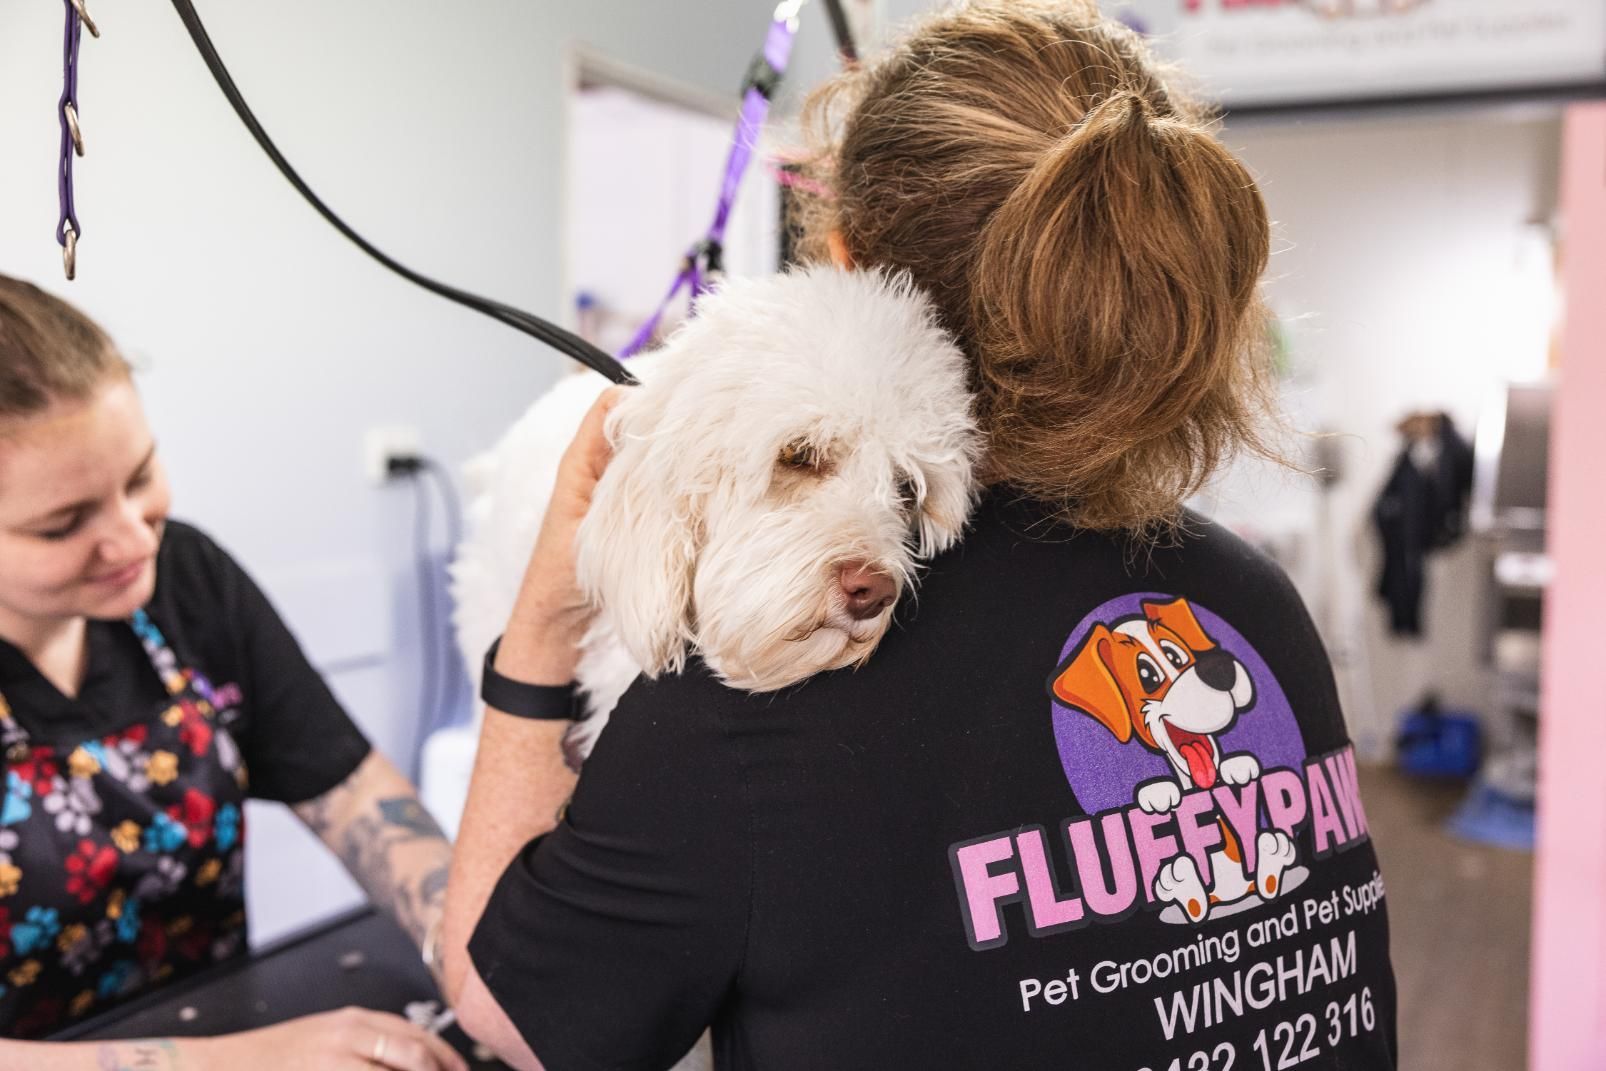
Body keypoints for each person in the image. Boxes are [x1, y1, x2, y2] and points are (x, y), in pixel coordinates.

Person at [442, 3, 1400, 1069]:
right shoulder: (1249, 608)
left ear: (845, 268)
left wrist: (538, 628)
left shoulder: (766, 692)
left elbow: (510, 1015)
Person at [0, 274, 467, 1070]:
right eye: (63, 524)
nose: (133, 539)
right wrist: (237, 1061)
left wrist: (472, 942)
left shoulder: (188, 580)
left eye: (140, 477)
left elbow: (353, 793)